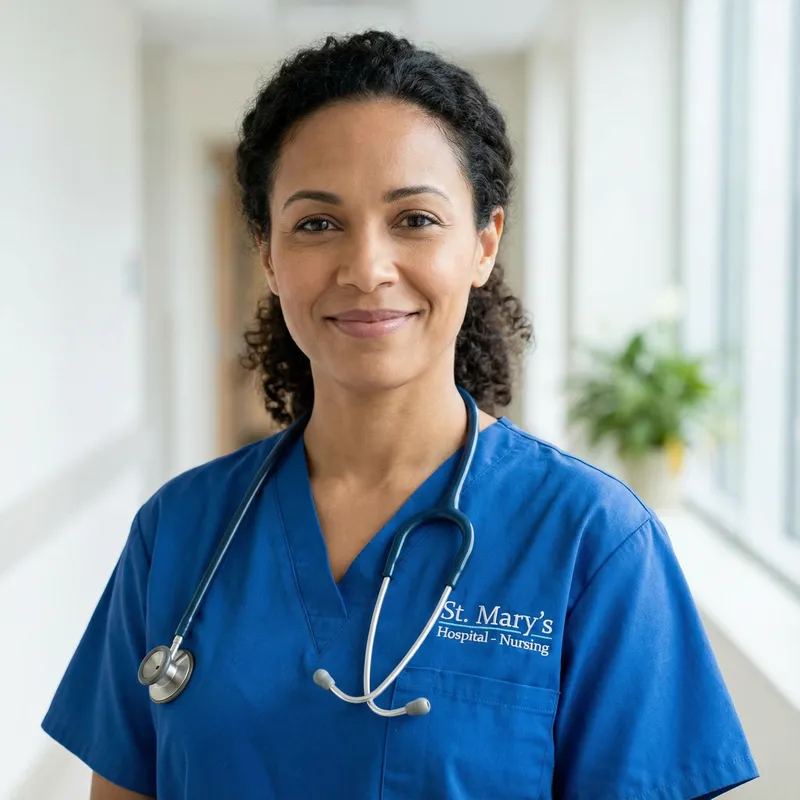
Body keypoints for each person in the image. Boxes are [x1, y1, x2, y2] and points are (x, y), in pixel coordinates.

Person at [43, 30, 758, 800]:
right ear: (269, 254)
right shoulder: (178, 534)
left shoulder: (594, 543)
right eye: (318, 224)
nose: (366, 268)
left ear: (485, 244)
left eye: (414, 218)